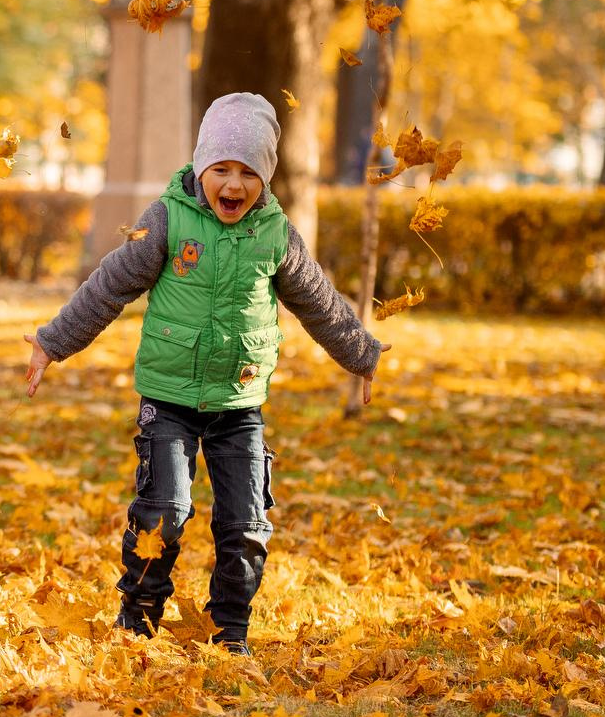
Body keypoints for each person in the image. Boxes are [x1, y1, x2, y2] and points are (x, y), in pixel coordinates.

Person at [23, 92, 386, 654]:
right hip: (167, 398)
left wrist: (361, 353)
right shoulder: (168, 219)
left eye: (248, 173)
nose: (234, 185)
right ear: (200, 169)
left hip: (238, 404)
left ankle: (229, 631)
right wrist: (53, 341)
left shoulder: (275, 234)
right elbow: (111, 284)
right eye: (221, 170)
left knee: (245, 526)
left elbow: (317, 301)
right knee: (164, 510)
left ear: (265, 179)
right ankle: (138, 616)